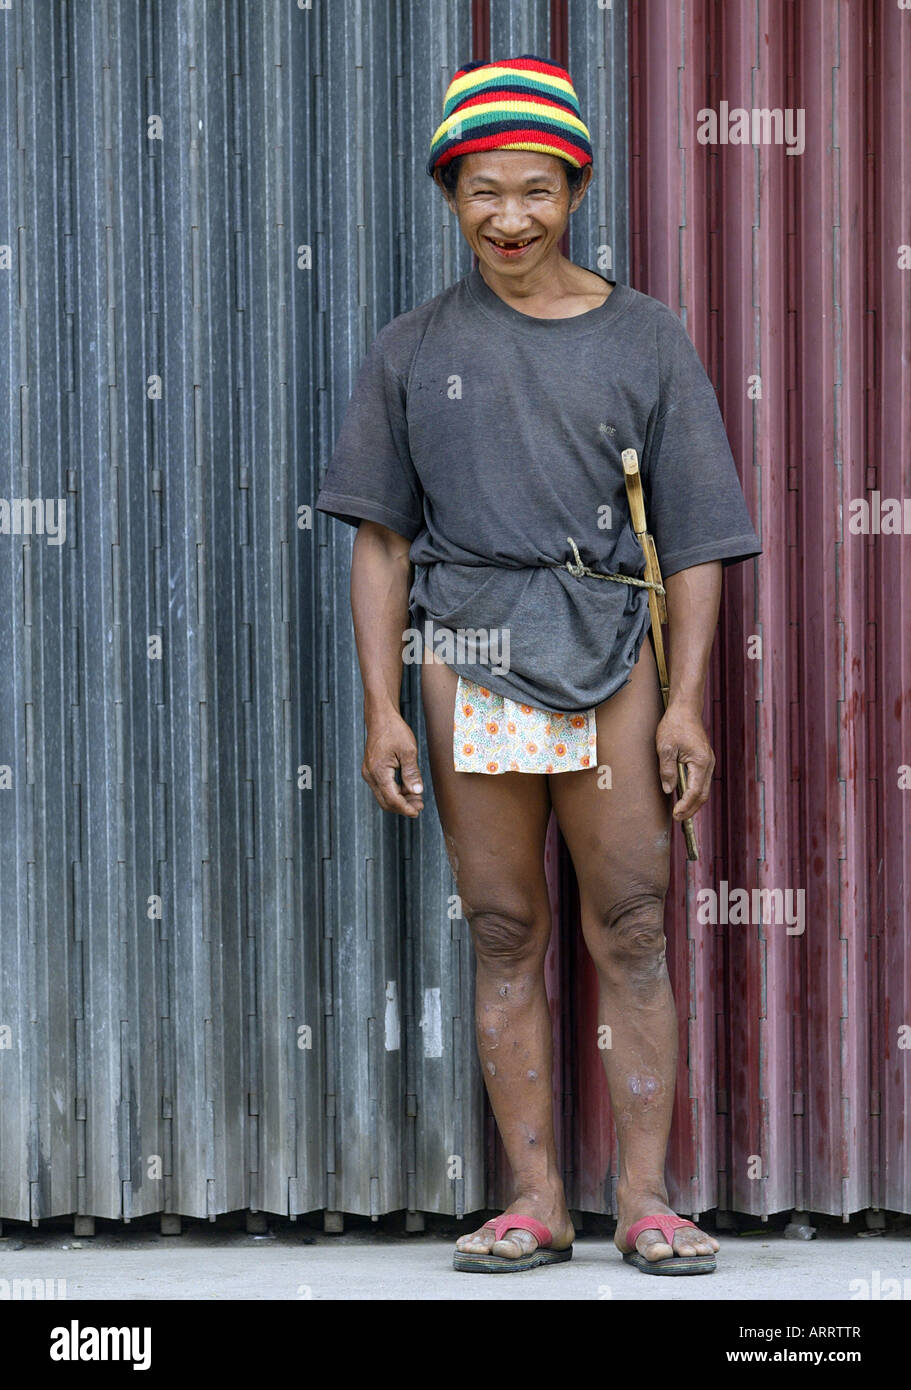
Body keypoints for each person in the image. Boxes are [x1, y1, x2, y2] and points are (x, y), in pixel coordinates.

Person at [316, 54, 761, 1275]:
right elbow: (383, 538)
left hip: (610, 651)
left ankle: (647, 1201)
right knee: (506, 932)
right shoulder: (411, 348)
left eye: (534, 191)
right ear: (448, 196)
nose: (507, 218)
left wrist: (683, 708)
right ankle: (534, 1199)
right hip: (466, 654)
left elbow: (703, 538)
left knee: (628, 922)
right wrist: (380, 708)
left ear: (574, 191)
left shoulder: (646, 337)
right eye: (481, 192)